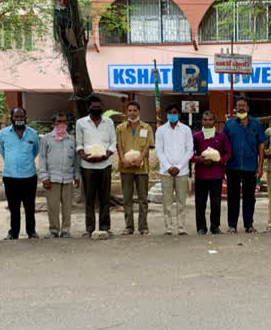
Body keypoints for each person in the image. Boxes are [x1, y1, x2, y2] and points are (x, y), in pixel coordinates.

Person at [76, 95, 117, 237]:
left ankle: (105, 227)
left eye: (99, 107)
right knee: (89, 199)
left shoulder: (109, 122)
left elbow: (113, 143)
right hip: (87, 166)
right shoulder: (81, 123)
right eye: (94, 107)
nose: (97, 109)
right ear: (88, 108)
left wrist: (106, 154)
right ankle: (90, 228)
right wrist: (84, 156)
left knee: (105, 198)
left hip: (105, 164)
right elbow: (79, 144)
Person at [223, 97, 266, 233]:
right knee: (233, 197)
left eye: (243, 105)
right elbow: (223, 145)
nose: (241, 108)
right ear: (235, 108)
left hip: (250, 166)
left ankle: (249, 224)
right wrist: (223, 164)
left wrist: (260, 166)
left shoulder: (256, 124)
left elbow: (261, 145)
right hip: (232, 166)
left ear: (248, 108)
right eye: (239, 105)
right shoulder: (229, 124)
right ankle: (232, 225)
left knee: (249, 197)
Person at [0, 107, 40, 240]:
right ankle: (13, 232)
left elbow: (35, 151)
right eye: (16, 117)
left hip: (29, 176)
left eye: (21, 117)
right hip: (10, 176)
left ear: (25, 117)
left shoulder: (33, 133)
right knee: (13, 207)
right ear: (12, 117)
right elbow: (3, 151)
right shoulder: (3, 133)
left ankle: (31, 232)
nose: (19, 119)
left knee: (30, 206)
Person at [39, 112, 80, 238]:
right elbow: (42, 158)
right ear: (53, 124)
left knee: (67, 206)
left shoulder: (72, 139)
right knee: (53, 206)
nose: (61, 124)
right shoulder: (46, 139)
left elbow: (76, 160)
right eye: (58, 122)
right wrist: (44, 177)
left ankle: (66, 230)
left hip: (67, 178)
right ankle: (54, 230)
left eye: (64, 121)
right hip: (52, 178)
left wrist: (77, 175)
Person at [116, 101, 154, 236]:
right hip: (125, 168)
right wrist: (123, 159)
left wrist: (140, 159)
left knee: (143, 198)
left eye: (135, 110)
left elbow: (147, 146)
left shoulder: (147, 127)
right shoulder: (120, 128)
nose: (132, 113)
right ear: (127, 112)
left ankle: (143, 226)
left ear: (139, 112)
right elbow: (119, 146)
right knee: (127, 198)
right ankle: (129, 226)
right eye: (130, 110)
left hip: (141, 168)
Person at [155, 104, 193, 235]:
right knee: (167, 201)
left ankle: (181, 228)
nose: (172, 114)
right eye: (170, 112)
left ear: (179, 114)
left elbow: (190, 150)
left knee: (182, 201)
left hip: (182, 172)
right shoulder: (160, 130)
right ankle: (169, 228)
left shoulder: (186, 130)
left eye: (175, 112)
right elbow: (159, 151)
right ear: (166, 115)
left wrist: (178, 167)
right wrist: (169, 167)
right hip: (166, 172)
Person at [191, 110, 231, 235]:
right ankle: (201, 227)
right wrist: (199, 159)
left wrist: (219, 160)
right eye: (205, 119)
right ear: (202, 121)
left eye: (210, 119)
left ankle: (215, 226)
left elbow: (228, 153)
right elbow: (190, 154)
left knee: (216, 202)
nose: (207, 122)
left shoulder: (221, 136)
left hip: (216, 175)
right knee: (200, 203)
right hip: (201, 175)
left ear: (214, 121)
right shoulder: (196, 136)